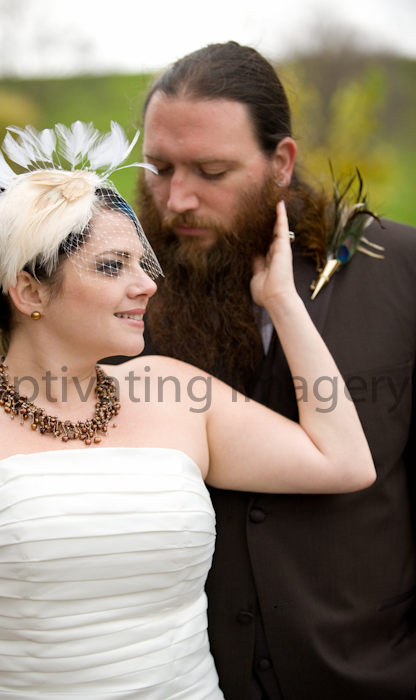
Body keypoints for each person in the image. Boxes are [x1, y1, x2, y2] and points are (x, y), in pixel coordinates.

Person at [0, 120, 374, 699]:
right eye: (111, 266)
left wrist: (282, 300)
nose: (147, 284)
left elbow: (344, 460)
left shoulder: (173, 393)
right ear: (29, 292)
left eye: (140, 262)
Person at [129, 42, 416, 700]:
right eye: (160, 167)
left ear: (280, 163)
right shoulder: (116, 295)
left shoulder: (404, 270)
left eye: (211, 170)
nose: (176, 199)